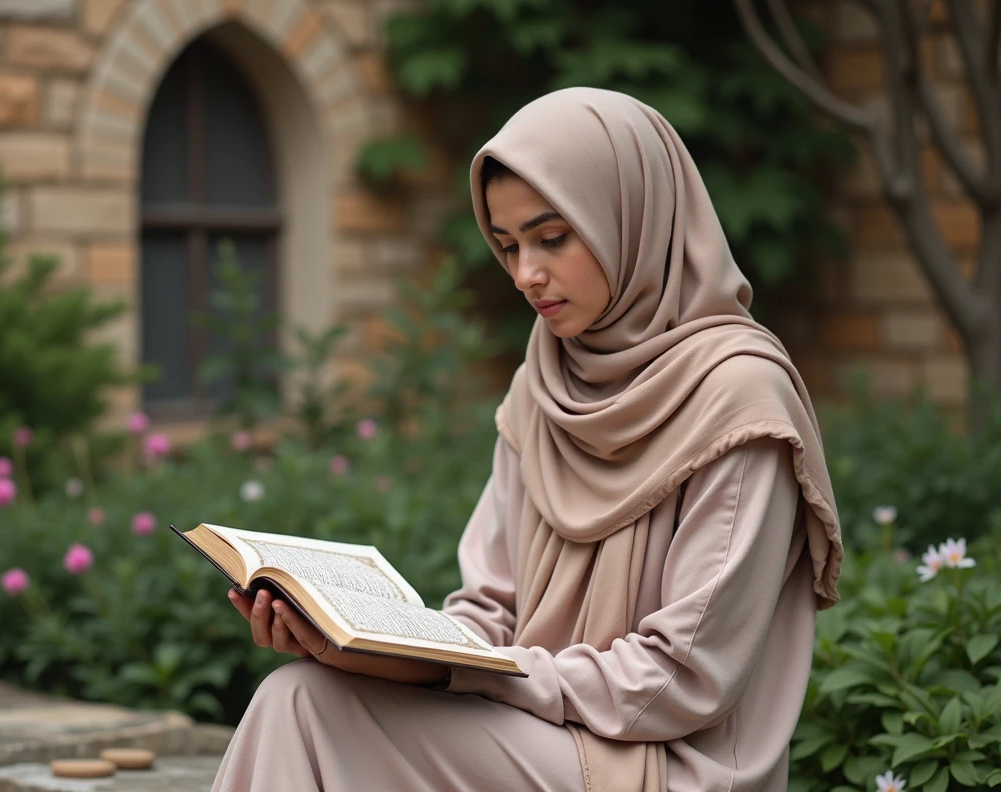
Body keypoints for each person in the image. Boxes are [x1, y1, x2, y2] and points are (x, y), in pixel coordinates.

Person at [209, 87, 844, 792]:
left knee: (303, 710)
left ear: (629, 216)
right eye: (507, 246)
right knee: (300, 691)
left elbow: (683, 678)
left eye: (552, 238)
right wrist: (372, 649)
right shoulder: (545, 381)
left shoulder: (739, 396)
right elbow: (488, 608)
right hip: (539, 727)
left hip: (666, 764)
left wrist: (474, 680)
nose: (525, 275)